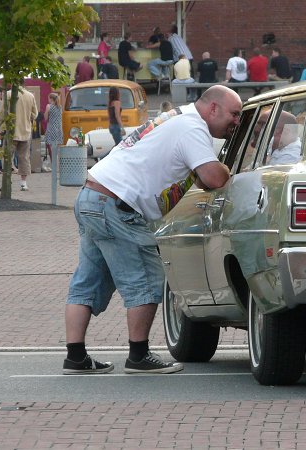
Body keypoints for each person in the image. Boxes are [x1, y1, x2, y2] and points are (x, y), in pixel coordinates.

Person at [62, 85, 240, 375]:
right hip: (117, 204)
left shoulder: (175, 119)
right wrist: (229, 170)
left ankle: (75, 356)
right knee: (146, 278)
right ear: (213, 108)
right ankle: (138, 355)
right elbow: (213, 177)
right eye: (234, 114)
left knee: (89, 279)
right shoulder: (193, 128)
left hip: (93, 197)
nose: (236, 122)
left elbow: (199, 179)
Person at [3, 86, 38, 192]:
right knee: (24, 158)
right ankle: (23, 184)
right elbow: (35, 114)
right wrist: (28, 116)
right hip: (25, 131)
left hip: (12, 131)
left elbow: (2, 112)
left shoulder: (8, 94)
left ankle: (6, 182)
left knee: (7, 157)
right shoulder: (30, 95)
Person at [43, 92, 63, 173]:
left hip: (51, 129)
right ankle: (58, 167)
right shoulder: (60, 107)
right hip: (59, 129)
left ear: (51, 99)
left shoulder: (49, 106)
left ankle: (54, 166)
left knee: (51, 149)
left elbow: (45, 118)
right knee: (57, 149)